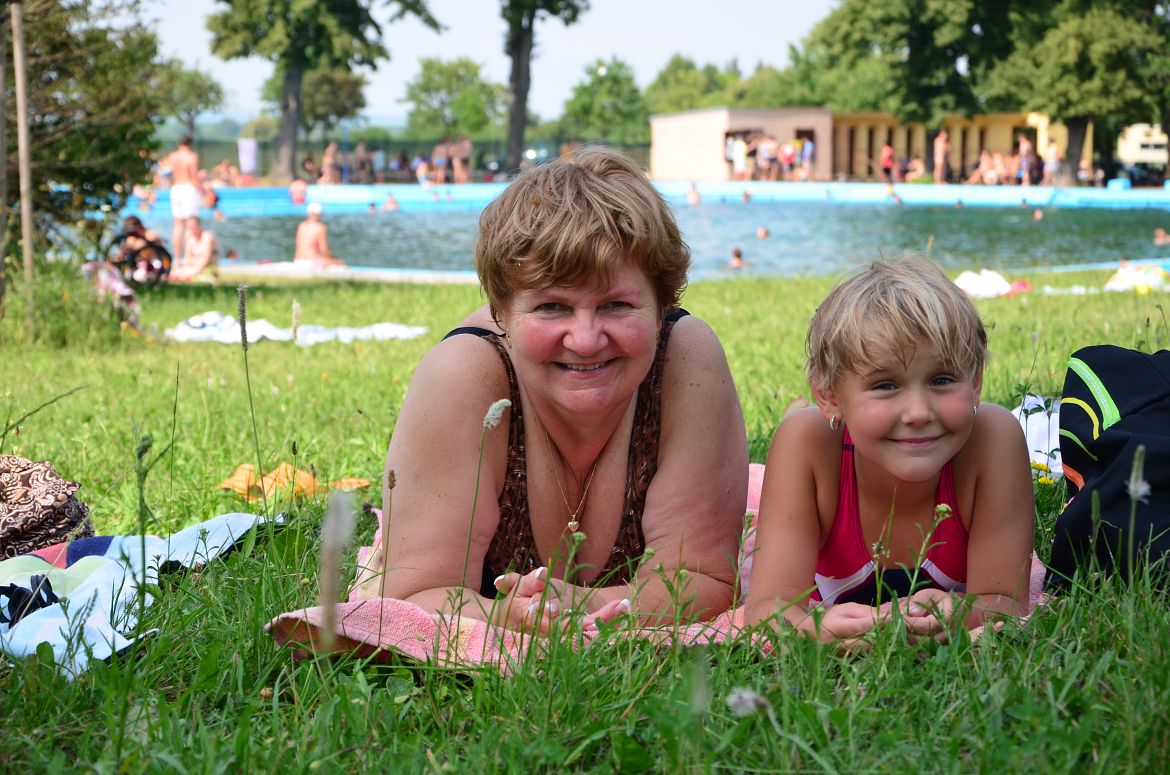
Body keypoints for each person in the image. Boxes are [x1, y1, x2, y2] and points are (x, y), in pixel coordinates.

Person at [374, 146, 749, 634]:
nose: (586, 340)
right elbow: (411, 596)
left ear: (661, 306)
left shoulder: (685, 358)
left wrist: (575, 607)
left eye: (616, 305)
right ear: (501, 312)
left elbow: (703, 579)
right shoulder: (464, 374)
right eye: (552, 307)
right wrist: (509, 617)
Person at [745, 257, 1034, 647]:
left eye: (942, 380)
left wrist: (960, 613)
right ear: (830, 396)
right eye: (885, 385)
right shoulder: (807, 445)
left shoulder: (993, 439)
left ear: (976, 382)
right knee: (798, 422)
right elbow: (769, 611)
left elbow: (1004, 604)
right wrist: (819, 629)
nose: (918, 413)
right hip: (822, 437)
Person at [161, 135, 203, 262]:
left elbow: (165, 172)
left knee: (178, 225)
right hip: (188, 188)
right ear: (190, 144)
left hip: (175, 188)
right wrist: (203, 192)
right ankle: (189, 257)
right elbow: (194, 177)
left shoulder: (172, 156)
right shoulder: (192, 156)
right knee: (191, 224)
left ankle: (177, 258)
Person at [170, 216, 220, 282]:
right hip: (195, 266)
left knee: (184, 275)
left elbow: (206, 259)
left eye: (193, 225)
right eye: (189, 226)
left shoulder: (207, 236)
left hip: (208, 266)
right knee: (174, 272)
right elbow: (188, 259)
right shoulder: (190, 239)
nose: (192, 228)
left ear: (199, 225)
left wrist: (194, 266)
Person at [294, 203, 344, 267]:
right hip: (311, 261)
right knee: (339, 262)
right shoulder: (320, 227)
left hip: (298, 260)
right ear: (319, 214)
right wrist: (333, 259)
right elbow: (323, 250)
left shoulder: (301, 226)